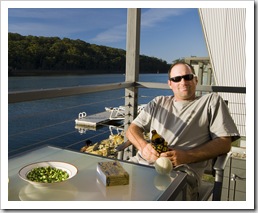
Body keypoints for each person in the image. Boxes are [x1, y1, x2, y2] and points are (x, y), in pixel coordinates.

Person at [125, 61, 240, 200]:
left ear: (195, 79)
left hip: (180, 173)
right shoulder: (158, 102)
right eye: (177, 79)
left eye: (188, 77)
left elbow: (224, 143)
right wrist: (143, 147)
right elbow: (132, 129)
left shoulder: (211, 102)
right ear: (170, 83)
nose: (183, 82)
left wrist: (186, 156)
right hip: (141, 165)